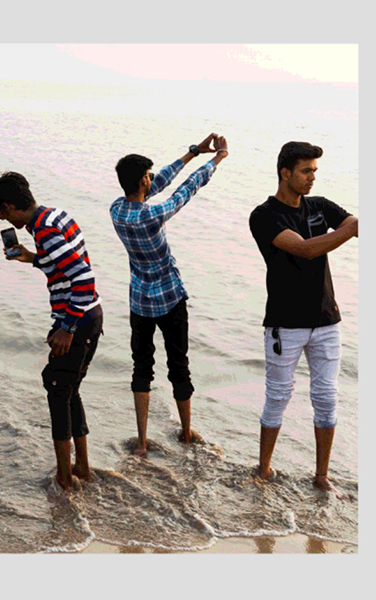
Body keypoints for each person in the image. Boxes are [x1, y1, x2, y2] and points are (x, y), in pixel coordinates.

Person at [110, 134, 230, 456]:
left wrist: (192, 151)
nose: (152, 179)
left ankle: (142, 441)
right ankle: (187, 433)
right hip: (170, 299)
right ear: (141, 181)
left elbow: (160, 181)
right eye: (148, 176)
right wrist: (217, 158)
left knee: (141, 366)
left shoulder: (117, 211)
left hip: (139, 300)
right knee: (179, 366)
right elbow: (186, 189)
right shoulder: (151, 216)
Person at [249, 141, 358, 491]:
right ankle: (264, 470)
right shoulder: (264, 216)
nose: (312, 177)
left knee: (326, 397)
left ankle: (321, 476)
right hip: (285, 324)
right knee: (278, 396)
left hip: (327, 320)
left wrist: (352, 225)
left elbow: (352, 219)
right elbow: (305, 249)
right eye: (306, 171)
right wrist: (350, 230)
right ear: (286, 173)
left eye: (315, 171)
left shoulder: (320, 206)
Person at [0, 172, 103, 491]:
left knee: (56, 388)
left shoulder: (44, 228)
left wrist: (67, 327)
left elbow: (83, 277)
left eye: (1, 211)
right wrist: (32, 259)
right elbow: (65, 264)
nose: (2, 217)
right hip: (90, 314)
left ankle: (66, 479)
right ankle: (81, 467)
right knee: (69, 388)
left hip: (77, 318)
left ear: (10, 205)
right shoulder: (56, 215)